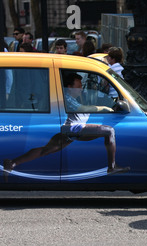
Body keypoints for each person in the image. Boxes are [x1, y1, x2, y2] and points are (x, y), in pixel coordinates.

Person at [2, 72, 130, 180]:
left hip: (69, 129)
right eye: (78, 86)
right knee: (109, 130)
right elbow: (82, 108)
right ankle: (112, 167)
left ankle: (12, 162)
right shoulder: (67, 97)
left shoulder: (75, 97)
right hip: (73, 128)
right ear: (69, 87)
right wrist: (103, 108)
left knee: (45, 150)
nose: (81, 89)